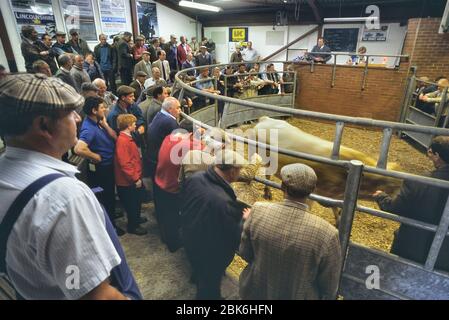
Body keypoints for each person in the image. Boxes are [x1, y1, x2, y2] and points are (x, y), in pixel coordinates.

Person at [0, 73, 140, 299]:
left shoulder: (6, 173)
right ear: (44, 125)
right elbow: (92, 292)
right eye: (70, 113)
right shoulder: (64, 198)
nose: (77, 118)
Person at [239, 163, 342, 300]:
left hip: (255, 293)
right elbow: (329, 286)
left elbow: (245, 253)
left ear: (282, 186)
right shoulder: (327, 233)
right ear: (312, 190)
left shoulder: (258, 210)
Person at [180, 149, 250, 299]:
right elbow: (232, 235)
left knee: (200, 272)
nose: (239, 174)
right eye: (239, 171)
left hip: (190, 235)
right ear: (232, 172)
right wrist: (244, 219)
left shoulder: (196, 178)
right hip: (209, 252)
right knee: (209, 288)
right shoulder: (222, 201)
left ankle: (198, 277)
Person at [373, 136, 449, 271]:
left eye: (431, 152)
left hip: (412, 250)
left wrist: (381, 197)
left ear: (437, 155)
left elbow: (395, 207)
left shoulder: (418, 182)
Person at [74, 96, 123, 235]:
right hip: (102, 170)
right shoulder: (89, 128)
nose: (106, 109)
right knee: (106, 198)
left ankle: (111, 217)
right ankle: (111, 227)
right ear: (94, 110)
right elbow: (79, 149)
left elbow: (113, 136)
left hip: (108, 166)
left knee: (109, 197)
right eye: (102, 108)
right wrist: (95, 156)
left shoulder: (97, 122)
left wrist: (105, 124)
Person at [154, 122, 204, 251]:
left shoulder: (168, 138)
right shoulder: (188, 145)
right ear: (191, 134)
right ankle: (173, 244)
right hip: (172, 186)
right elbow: (204, 151)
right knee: (173, 217)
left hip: (159, 181)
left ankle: (166, 237)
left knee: (164, 215)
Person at [114, 114, 148, 236]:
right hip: (128, 181)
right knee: (132, 204)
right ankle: (133, 226)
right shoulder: (123, 141)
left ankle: (136, 219)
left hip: (132, 178)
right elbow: (125, 163)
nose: (136, 125)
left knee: (136, 201)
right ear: (129, 126)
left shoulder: (126, 138)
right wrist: (135, 179)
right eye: (134, 124)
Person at [146, 97, 181, 179]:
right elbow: (177, 144)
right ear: (170, 109)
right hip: (159, 159)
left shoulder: (159, 114)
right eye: (178, 108)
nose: (180, 111)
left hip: (152, 155)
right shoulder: (170, 122)